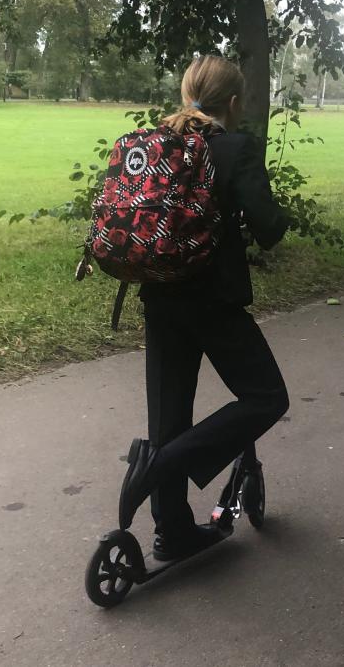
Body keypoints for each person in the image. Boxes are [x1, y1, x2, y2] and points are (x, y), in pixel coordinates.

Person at [117, 55, 291, 560]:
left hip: (158, 295)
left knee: (168, 413)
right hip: (212, 299)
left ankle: (171, 529)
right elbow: (269, 229)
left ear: (186, 92)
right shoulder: (234, 147)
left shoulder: (156, 143)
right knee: (265, 397)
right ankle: (164, 462)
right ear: (233, 103)